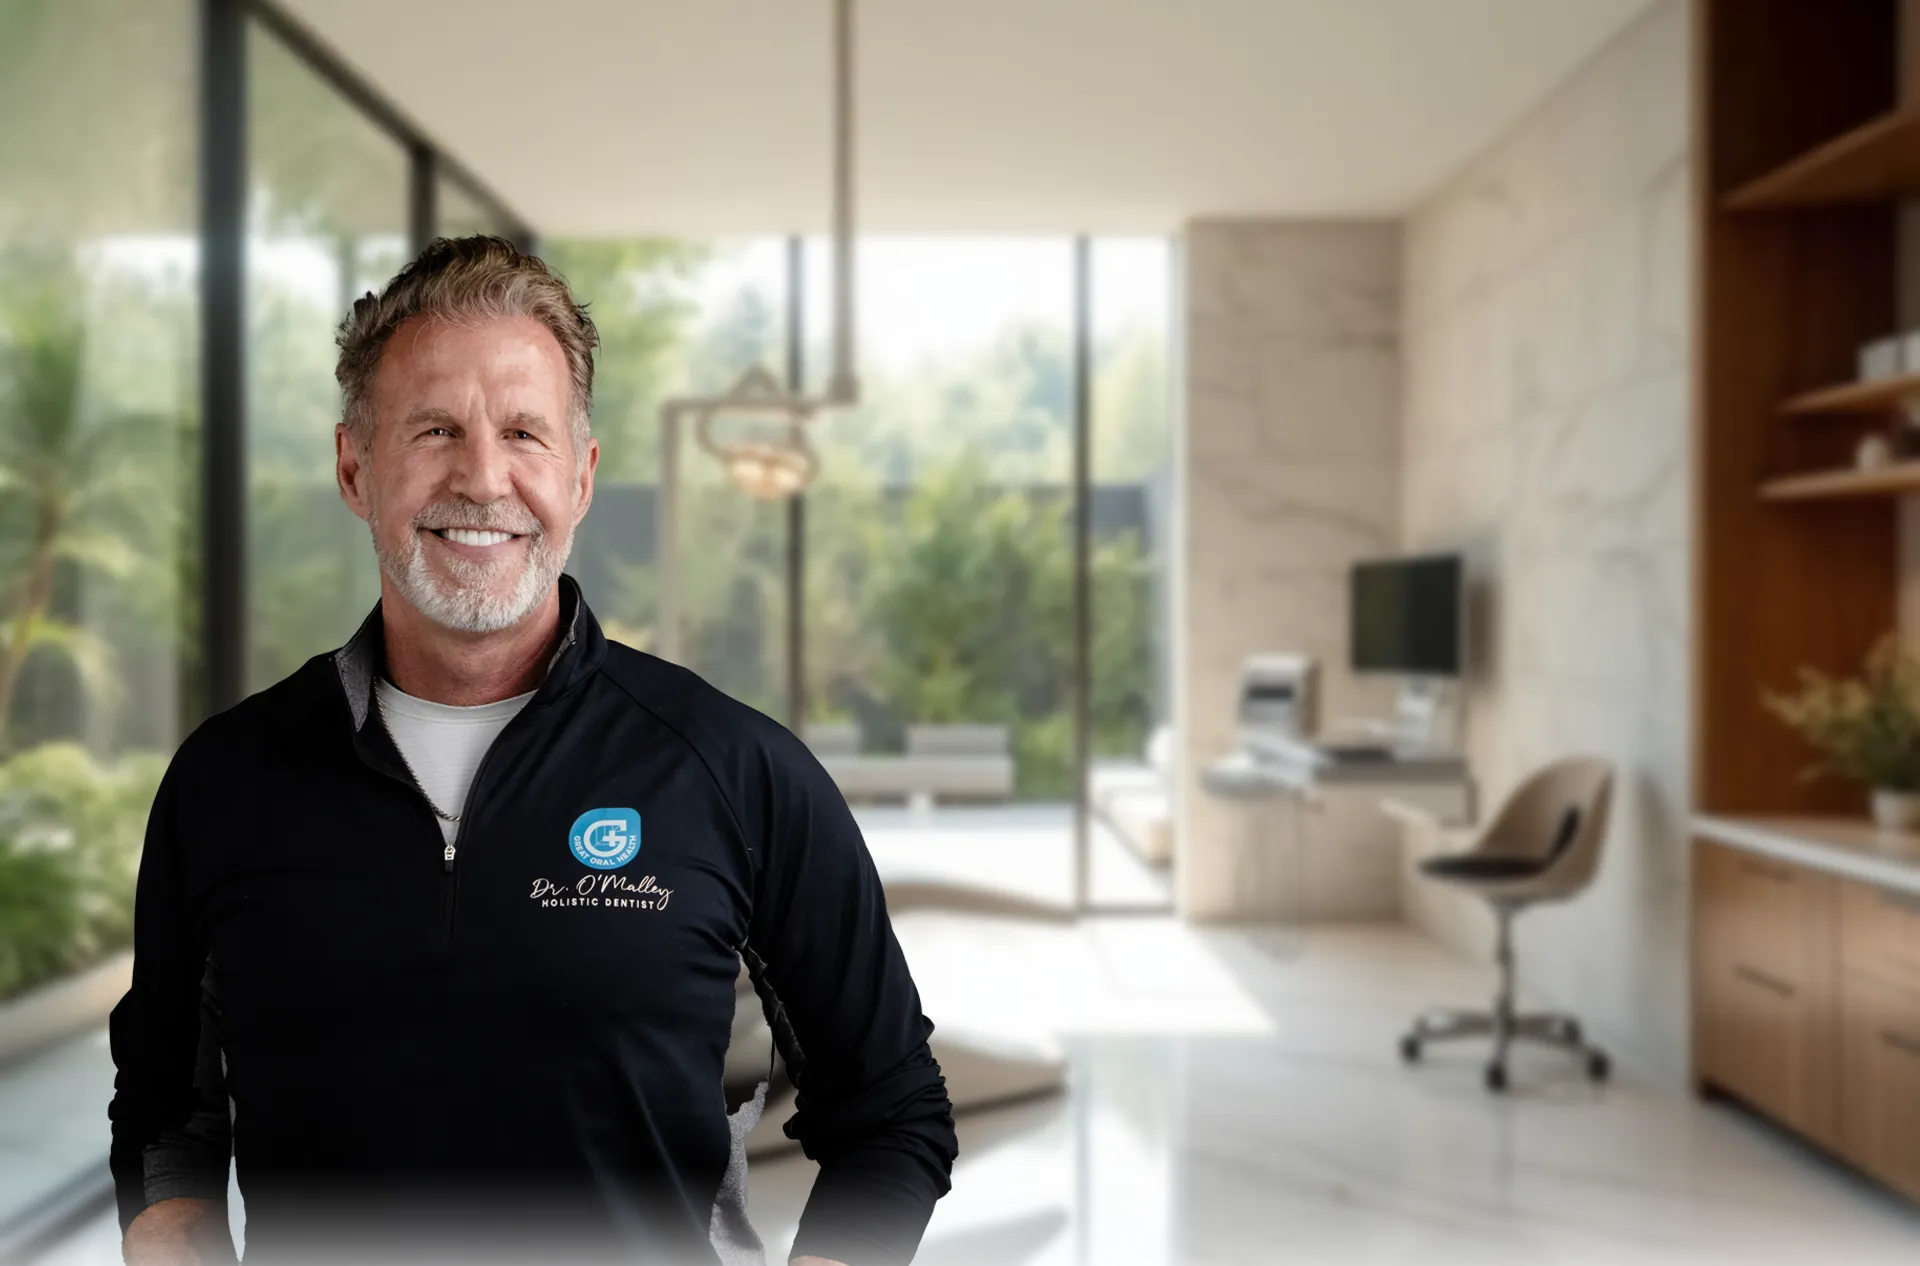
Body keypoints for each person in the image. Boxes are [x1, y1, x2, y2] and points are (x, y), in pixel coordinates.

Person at [108, 236, 957, 1266]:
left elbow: (893, 1108)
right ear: (353, 468)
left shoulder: (732, 772)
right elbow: (167, 1119)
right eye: (433, 430)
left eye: (523, 432)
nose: (482, 476)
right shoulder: (227, 782)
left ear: (582, 476)